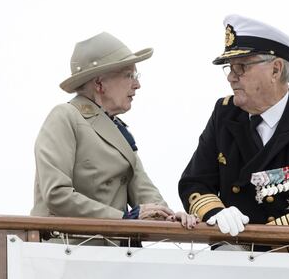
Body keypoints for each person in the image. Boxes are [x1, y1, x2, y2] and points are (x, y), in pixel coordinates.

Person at [178, 14, 289, 244]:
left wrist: (257, 241)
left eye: (241, 67)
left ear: (276, 70)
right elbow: (194, 182)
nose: (231, 77)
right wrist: (216, 214)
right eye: (230, 68)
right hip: (232, 259)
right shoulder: (225, 113)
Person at [31, 32, 198, 232]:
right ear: (99, 83)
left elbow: (142, 188)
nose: (137, 84)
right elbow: (57, 194)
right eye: (129, 75)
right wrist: (123, 219)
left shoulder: (119, 130)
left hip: (114, 251)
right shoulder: (65, 116)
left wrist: (169, 216)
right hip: (65, 251)